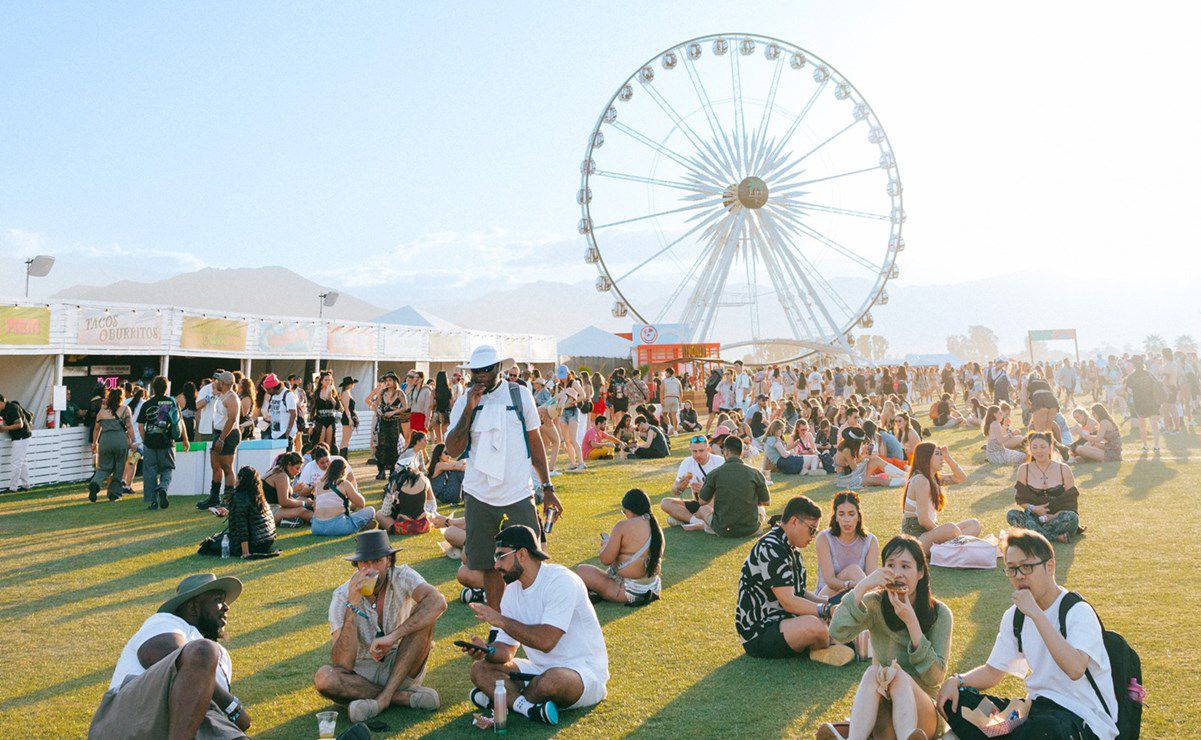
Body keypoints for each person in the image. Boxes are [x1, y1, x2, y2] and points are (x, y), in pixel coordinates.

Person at [936, 529, 1119, 740]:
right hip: (1034, 711)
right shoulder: (1015, 616)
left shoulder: (1076, 611)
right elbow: (992, 671)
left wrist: (1036, 614)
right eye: (1012, 569)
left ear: (1050, 566)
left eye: (1026, 567)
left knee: (1045, 729)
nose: (1019, 576)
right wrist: (957, 681)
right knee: (957, 701)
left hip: (1082, 719)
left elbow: (1075, 669)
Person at [444, 345, 560, 608]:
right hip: (478, 494)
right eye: (476, 370)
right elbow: (452, 449)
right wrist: (469, 410)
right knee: (488, 566)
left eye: (487, 369)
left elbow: (536, 443)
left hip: (517, 491)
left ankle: (535, 613)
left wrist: (548, 486)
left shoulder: (519, 394)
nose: (481, 375)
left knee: (530, 559)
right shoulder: (464, 400)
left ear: (499, 368)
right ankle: (499, 624)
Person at [462, 525, 609, 726]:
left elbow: (546, 641)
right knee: (480, 669)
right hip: (538, 670)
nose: (496, 565)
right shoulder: (512, 592)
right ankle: (528, 708)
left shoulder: (561, 581)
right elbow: (506, 652)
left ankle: (502, 698)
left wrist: (502, 621)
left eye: (501, 556)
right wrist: (486, 650)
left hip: (582, 673)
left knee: (552, 680)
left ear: (522, 555)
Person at [819, 535, 952, 740]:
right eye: (891, 565)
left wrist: (912, 623)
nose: (897, 573)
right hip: (884, 710)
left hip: (924, 715)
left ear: (920, 572)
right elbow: (836, 631)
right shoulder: (875, 604)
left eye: (905, 566)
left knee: (897, 675)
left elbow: (935, 677)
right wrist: (862, 586)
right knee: (874, 671)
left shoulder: (940, 613)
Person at [88, 573, 250, 739]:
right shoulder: (165, 622)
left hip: (183, 725)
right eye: (217, 600)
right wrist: (233, 707)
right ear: (193, 606)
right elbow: (182, 663)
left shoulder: (222, 657)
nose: (226, 607)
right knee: (203, 651)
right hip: (130, 719)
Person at [314, 530, 446, 723]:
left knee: (426, 618)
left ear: (389, 561)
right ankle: (400, 697)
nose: (370, 569)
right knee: (324, 678)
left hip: (401, 663)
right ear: (357, 565)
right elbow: (343, 664)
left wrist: (393, 637)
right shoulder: (342, 595)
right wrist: (352, 605)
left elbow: (438, 602)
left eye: (377, 561)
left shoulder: (402, 575)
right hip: (360, 674)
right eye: (364, 563)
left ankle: (379, 700)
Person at [735, 496, 854, 665]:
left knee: (840, 603)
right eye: (812, 529)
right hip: (760, 632)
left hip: (786, 621)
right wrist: (827, 610)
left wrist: (828, 605)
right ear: (794, 521)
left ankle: (831, 641)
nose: (813, 536)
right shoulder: (771, 547)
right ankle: (826, 645)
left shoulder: (790, 548)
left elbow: (799, 592)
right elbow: (789, 602)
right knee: (815, 626)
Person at [575, 488, 663, 605]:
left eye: (624, 511)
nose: (624, 514)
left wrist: (606, 546)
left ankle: (593, 594)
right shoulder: (656, 528)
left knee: (582, 570)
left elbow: (605, 559)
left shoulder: (622, 526)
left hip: (629, 591)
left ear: (630, 509)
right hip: (653, 587)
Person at [901, 441, 977, 554]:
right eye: (937, 454)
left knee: (974, 524)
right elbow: (923, 520)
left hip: (928, 534)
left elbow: (961, 478)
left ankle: (952, 546)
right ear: (926, 458)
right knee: (950, 528)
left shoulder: (933, 479)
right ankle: (957, 546)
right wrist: (942, 532)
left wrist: (948, 457)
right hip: (916, 539)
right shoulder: (921, 480)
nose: (941, 458)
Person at [684, 435, 769, 536]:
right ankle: (704, 526)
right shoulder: (755, 473)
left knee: (703, 509)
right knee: (761, 509)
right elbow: (766, 502)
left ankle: (703, 526)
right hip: (751, 530)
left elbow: (702, 502)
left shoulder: (714, 474)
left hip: (723, 530)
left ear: (726, 452)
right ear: (741, 452)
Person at [1007, 432, 1082, 544]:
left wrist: (1052, 517)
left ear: (1050, 448)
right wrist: (1034, 508)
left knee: (1072, 518)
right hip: (1034, 518)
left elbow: (1071, 504)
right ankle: (1055, 537)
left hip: (1058, 518)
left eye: (1043, 447)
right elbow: (1021, 500)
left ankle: (1033, 534)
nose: (1039, 451)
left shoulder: (1063, 469)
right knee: (1012, 514)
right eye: (1035, 447)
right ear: (1030, 449)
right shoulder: (1024, 469)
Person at [815, 490, 879, 599]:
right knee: (853, 570)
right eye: (841, 514)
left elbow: (871, 582)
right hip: (826, 597)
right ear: (835, 516)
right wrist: (850, 585)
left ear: (858, 517)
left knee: (856, 573)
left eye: (851, 514)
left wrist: (857, 587)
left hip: (857, 596)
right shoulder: (824, 538)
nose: (846, 520)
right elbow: (830, 580)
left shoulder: (870, 541)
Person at [138, 375, 188, 511]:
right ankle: (163, 487)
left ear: (153, 388)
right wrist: (185, 439)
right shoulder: (172, 402)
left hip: (150, 442)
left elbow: (141, 425)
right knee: (168, 468)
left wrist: (144, 439)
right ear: (166, 388)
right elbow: (180, 422)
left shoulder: (147, 404)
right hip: (167, 442)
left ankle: (153, 502)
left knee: (150, 472)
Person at [196, 372, 241, 511]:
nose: (215, 382)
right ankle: (214, 497)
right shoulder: (222, 395)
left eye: (218, 381)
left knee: (227, 467)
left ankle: (228, 499)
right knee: (215, 465)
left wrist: (221, 438)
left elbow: (232, 419)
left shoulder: (232, 398)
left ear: (223, 383)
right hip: (218, 432)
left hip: (228, 434)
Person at [660, 434, 725, 525]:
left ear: (708, 450)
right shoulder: (687, 463)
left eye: (701, 451)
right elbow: (675, 492)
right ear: (690, 450)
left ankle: (685, 519)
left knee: (672, 519)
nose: (698, 455)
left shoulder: (720, 462)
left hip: (716, 503)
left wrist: (705, 490)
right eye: (694, 451)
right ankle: (696, 521)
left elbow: (727, 491)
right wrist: (679, 487)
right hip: (698, 504)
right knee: (665, 502)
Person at [88, 388, 135, 503]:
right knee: (119, 468)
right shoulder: (125, 409)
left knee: (104, 467)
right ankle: (114, 494)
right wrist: (133, 442)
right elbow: (129, 427)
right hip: (120, 440)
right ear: (121, 398)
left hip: (105, 440)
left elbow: (96, 428)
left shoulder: (102, 411)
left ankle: (95, 483)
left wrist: (95, 443)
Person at [312, 458, 377, 536]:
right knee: (370, 510)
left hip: (316, 527)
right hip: (338, 526)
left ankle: (361, 526)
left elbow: (315, 507)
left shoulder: (318, 485)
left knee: (347, 516)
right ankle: (361, 526)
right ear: (344, 471)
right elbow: (361, 504)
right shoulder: (344, 484)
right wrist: (354, 490)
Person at [226, 467, 278, 557]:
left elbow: (242, 525)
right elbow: (252, 517)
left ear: (241, 479)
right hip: (266, 541)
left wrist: (245, 552)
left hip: (253, 544)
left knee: (213, 544)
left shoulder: (240, 496)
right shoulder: (258, 495)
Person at [376, 465, 436, 535]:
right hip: (423, 525)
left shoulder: (395, 482)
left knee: (379, 514)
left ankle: (392, 529)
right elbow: (433, 506)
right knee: (431, 515)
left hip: (403, 527)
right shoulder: (425, 480)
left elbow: (385, 512)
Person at [368, 372, 407, 480]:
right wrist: (379, 410)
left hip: (394, 422)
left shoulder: (399, 393)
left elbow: (405, 407)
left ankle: (392, 471)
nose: (388, 383)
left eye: (390, 380)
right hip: (383, 421)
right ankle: (381, 471)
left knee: (393, 447)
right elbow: (375, 403)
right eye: (386, 381)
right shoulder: (382, 392)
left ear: (395, 381)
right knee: (381, 446)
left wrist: (394, 412)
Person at [261, 451, 311, 526]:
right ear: (289, 464)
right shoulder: (281, 475)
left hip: (271, 508)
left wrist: (303, 502)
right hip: (267, 512)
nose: (298, 471)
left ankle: (288, 521)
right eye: (297, 468)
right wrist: (304, 504)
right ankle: (321, 520)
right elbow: (284, 502)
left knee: (302, 498)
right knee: (302, 510)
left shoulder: (279, 469)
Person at [1124, 355, 1163, 454]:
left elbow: (1129, 391)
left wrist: (1138, 392)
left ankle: (1145, 446)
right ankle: (1157, 446)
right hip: (1152, 402)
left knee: (1142, 426)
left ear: (1133, 364)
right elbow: (1157, 385)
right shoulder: (1149, 374)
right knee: (1154, 425)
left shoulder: (1131, 377)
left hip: (1139, 403)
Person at [0, 392, 34, 492]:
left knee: (16, 463)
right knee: (22, 462)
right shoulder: (3, 410)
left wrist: (5, 428)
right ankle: (26, 485)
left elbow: (20, 424)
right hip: (21, 437)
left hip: (22, 437)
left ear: (1, 402)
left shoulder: (12, 408)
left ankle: (13, 487)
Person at [661, 367, 683, 434]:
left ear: (668, 373)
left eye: (666, 373)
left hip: (667, 398)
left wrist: (661, 400)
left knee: (664, 414)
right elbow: (681, 391)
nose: (665, 374)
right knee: (674, 415)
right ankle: (675, 431)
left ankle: (669, 425)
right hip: (675, 398)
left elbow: (661, 391)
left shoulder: (664, 381)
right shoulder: (677, 380)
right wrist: (680, 401)